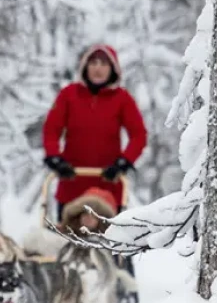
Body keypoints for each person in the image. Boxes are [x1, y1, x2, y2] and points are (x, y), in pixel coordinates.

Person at [41, 43, 148, 227]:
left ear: (113, 69)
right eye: (94, 62)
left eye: (104, 63)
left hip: (108, 186)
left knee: (110, 244)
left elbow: (138, 135)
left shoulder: (122, 99)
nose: (98, 68)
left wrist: (123, 162)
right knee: (67, 242)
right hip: (71, 183)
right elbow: (51, 129)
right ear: (85, 67)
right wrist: (55, 157)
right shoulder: (68, 95)